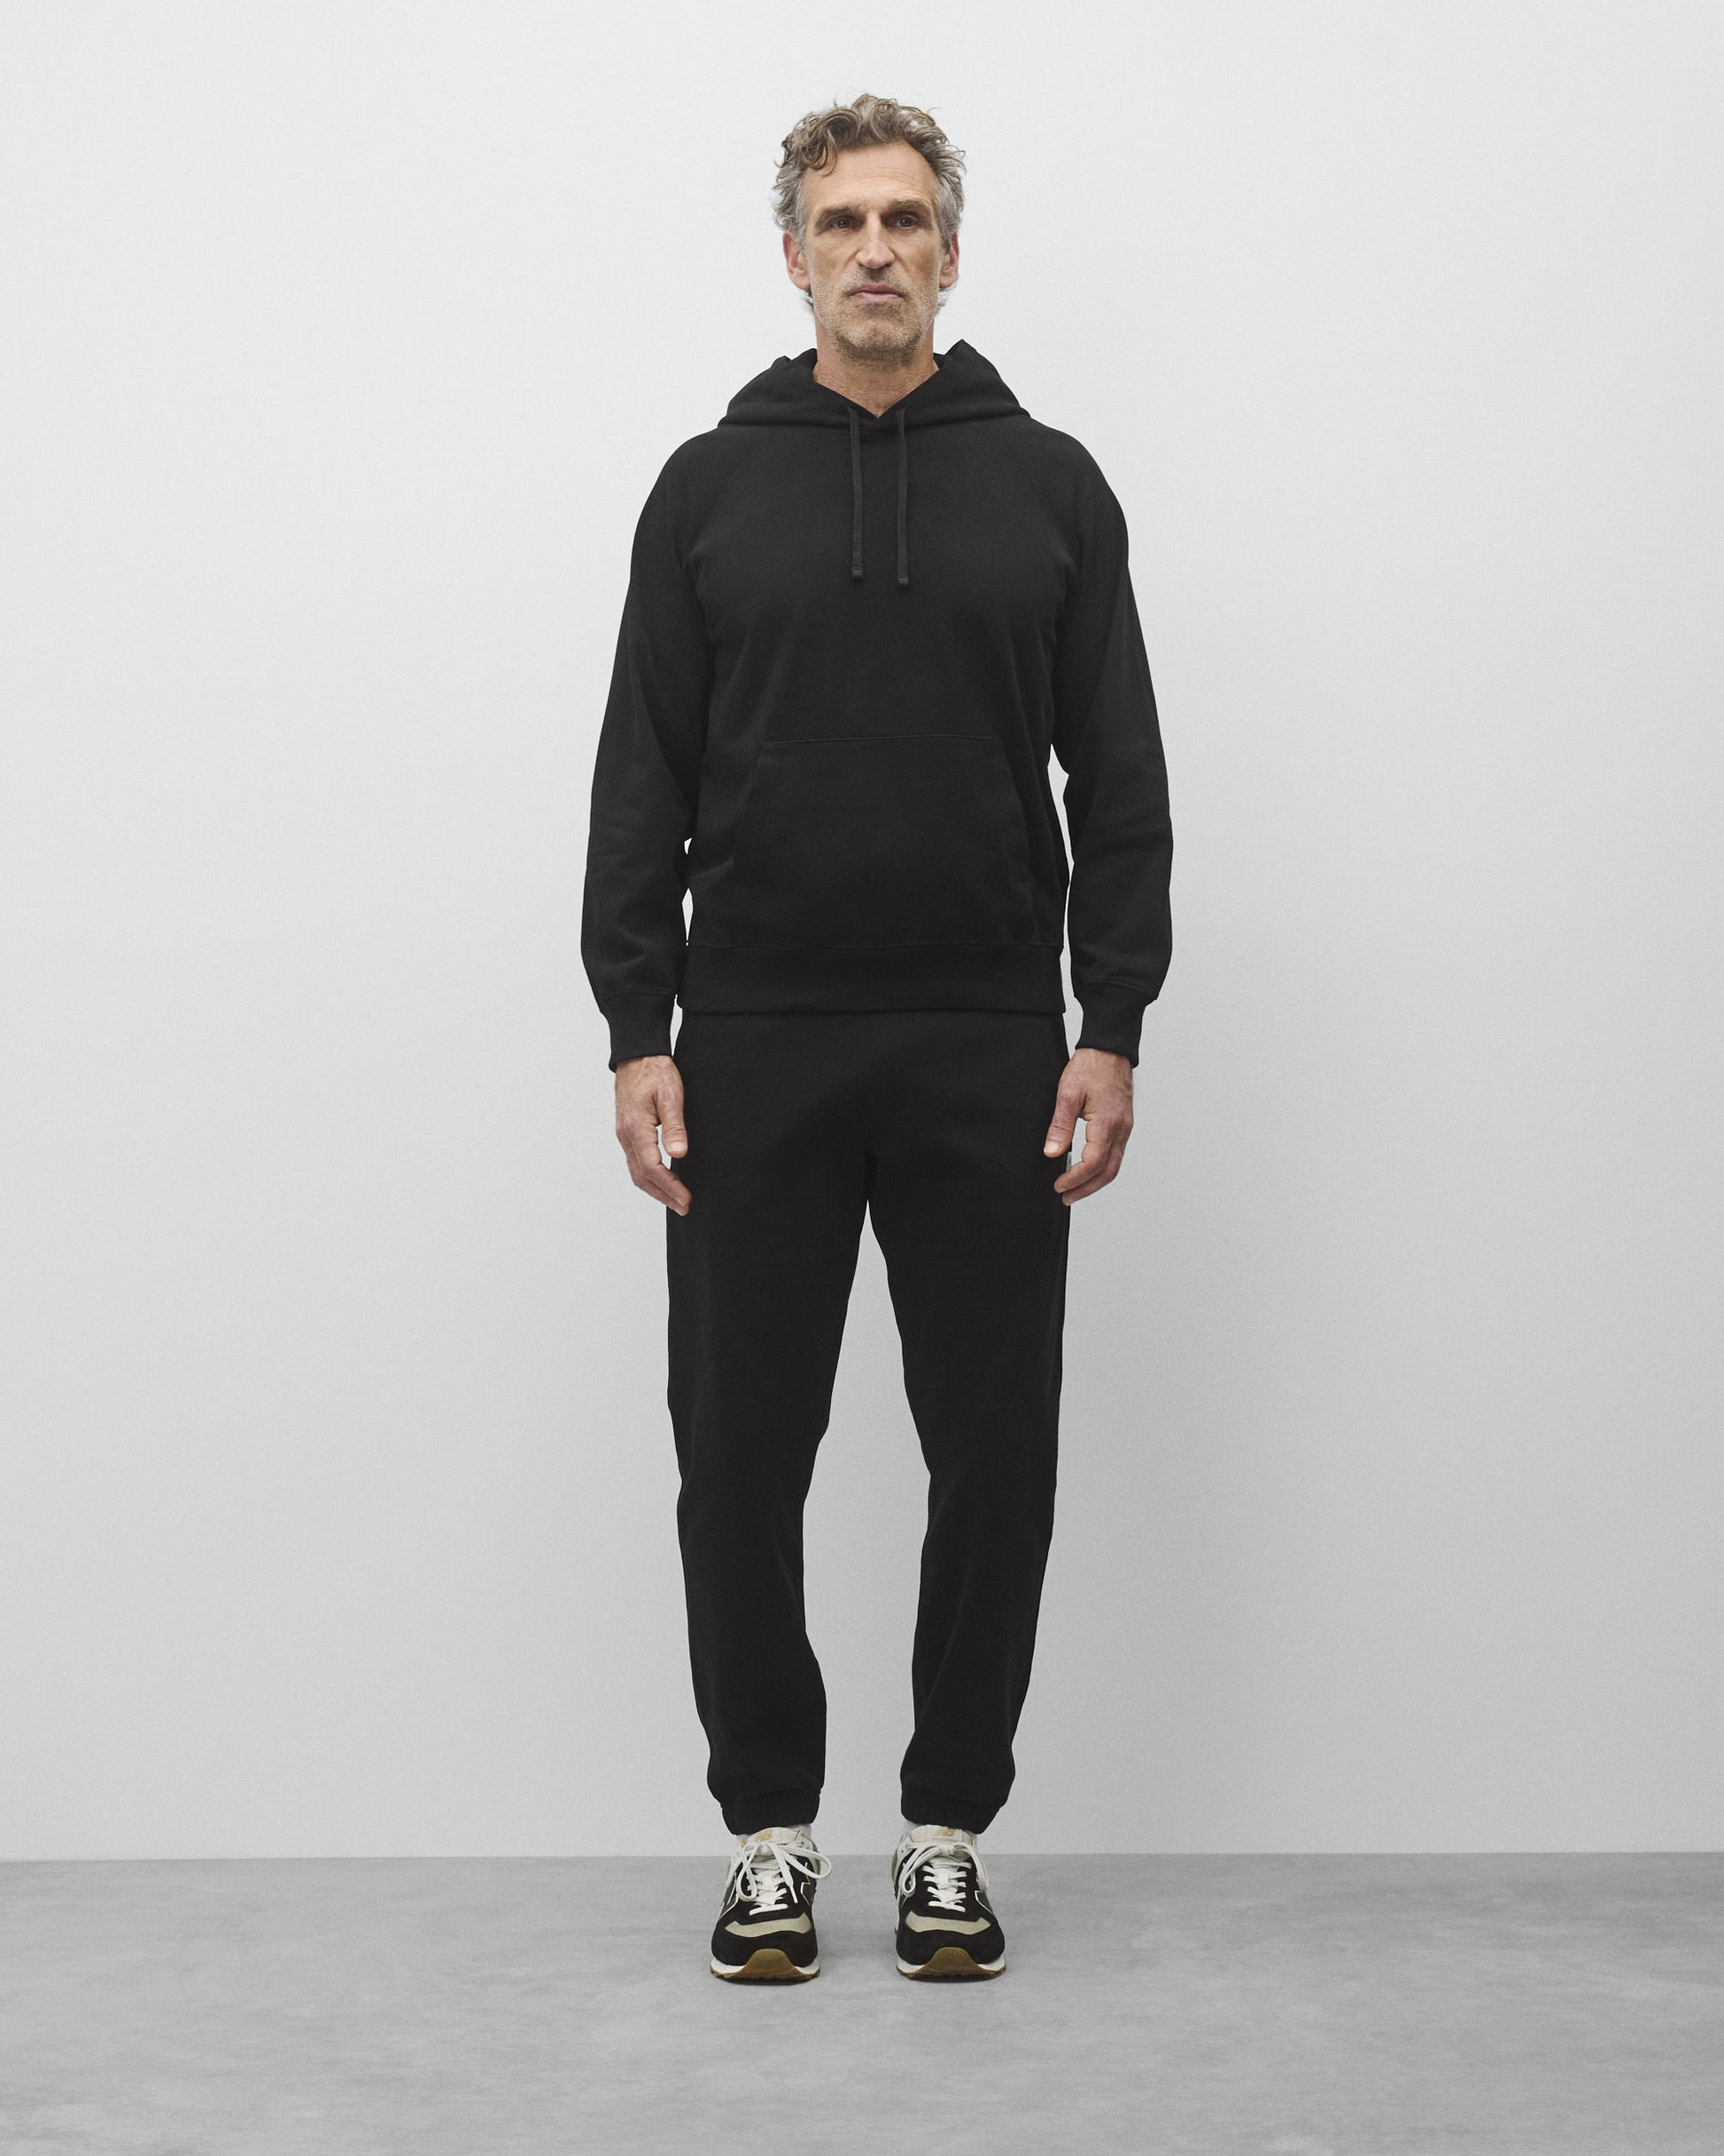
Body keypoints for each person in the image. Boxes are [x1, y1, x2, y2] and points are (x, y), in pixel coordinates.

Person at [580, 93, 1172, 1982]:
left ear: (949, 252)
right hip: (751, 1036)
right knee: (739, 1450)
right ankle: (770, 1830)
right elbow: (640, 772)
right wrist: (638, 1023)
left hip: (986, 1038)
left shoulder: (1050, 486)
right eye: (840, 221)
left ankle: (944, 1832)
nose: (874, 250)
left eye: (905, 219)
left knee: (994, 1447)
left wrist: (1109, 1019)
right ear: (791, 255)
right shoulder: (706, 487)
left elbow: (1122, 778)